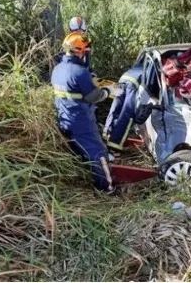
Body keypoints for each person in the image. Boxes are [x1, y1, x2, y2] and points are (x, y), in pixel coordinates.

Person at [51, 32, 120, 195]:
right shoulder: (79, 72)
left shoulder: (58, 69)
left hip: (64, 118)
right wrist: (108, 90)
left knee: (80, 151)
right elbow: (94, 97)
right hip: (81, 121)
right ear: (80, 51)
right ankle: (107, 188)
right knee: (98, 153)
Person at [103, 62, 143, 151]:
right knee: (127, 114)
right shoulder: (161, 65)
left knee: (115, 109)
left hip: (123, 79)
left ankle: (106, 134)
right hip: (133, 84)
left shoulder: (143, 61)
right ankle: (115, 144)